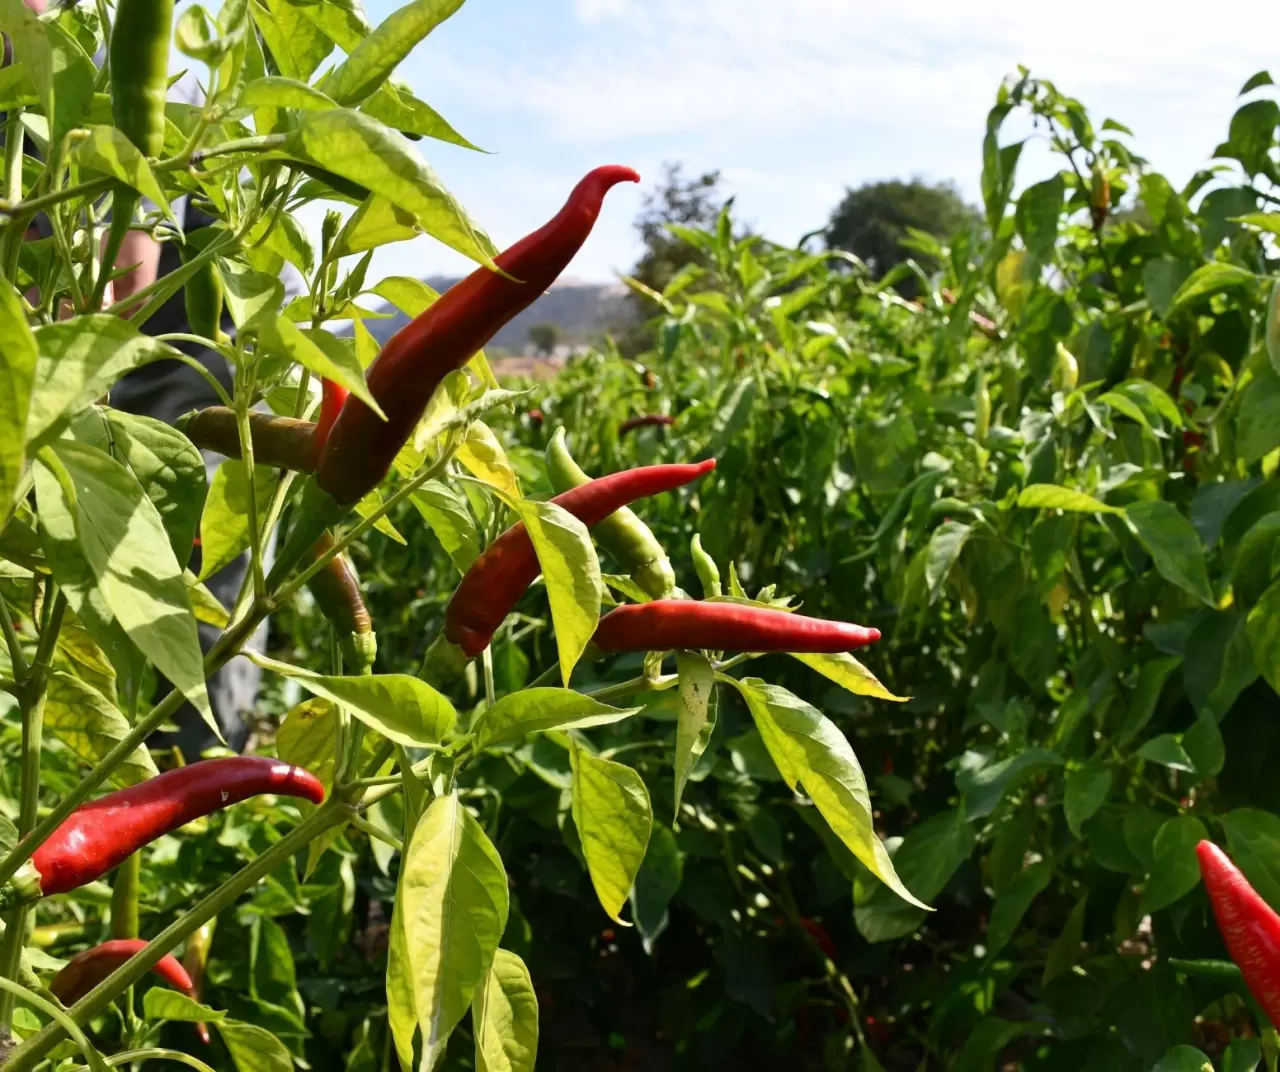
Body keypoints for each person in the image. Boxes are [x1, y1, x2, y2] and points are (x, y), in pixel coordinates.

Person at [7, 4, 305, 754]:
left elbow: (122, 278)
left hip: (163, 243)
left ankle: (197, 749)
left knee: (182, 546)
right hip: (99, 213)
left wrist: (86, 266)